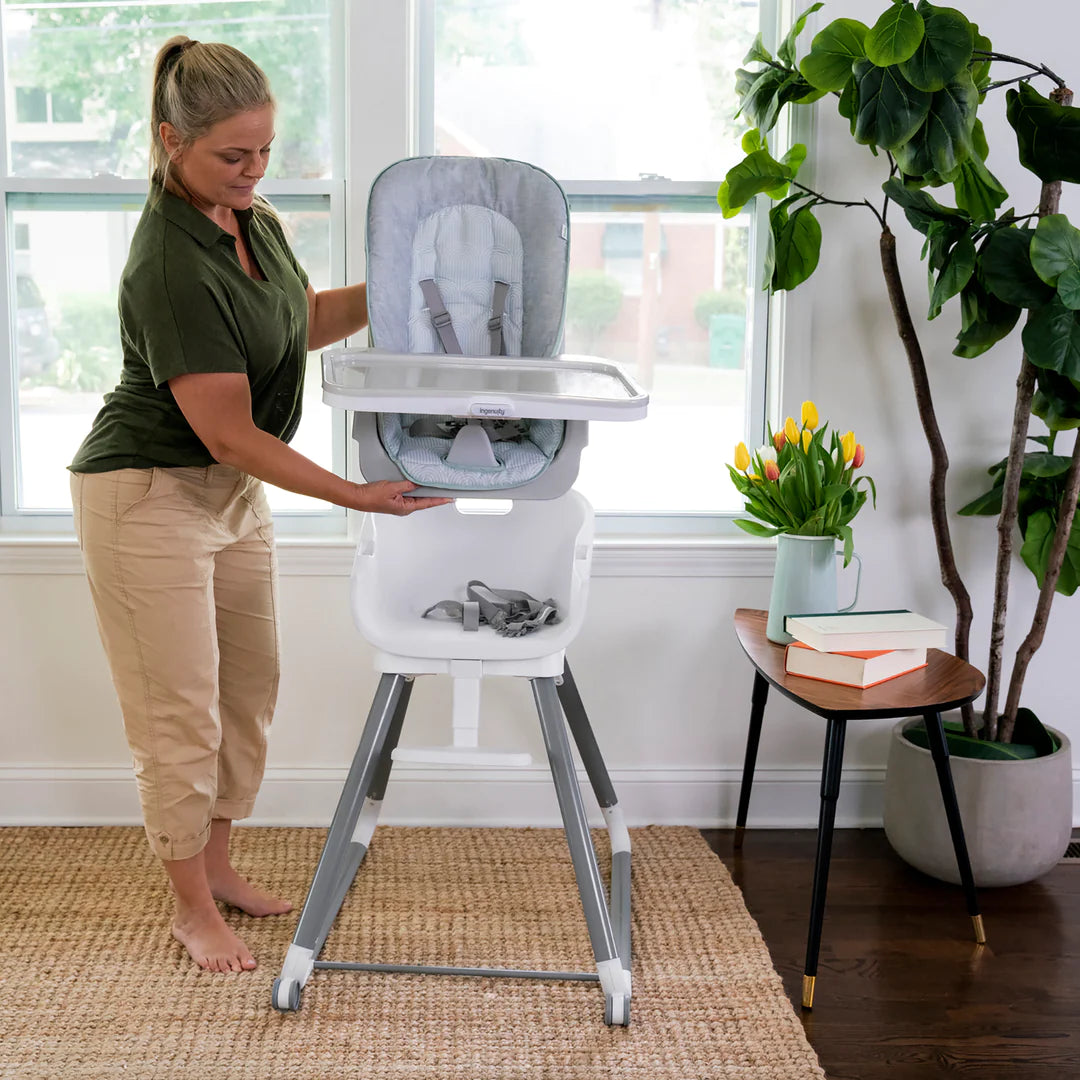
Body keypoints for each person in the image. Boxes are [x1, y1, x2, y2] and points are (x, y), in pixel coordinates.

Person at [68, 36, 449, 975]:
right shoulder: (167, 262)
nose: (254, 171)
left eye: (265, 151)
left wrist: (396, 290)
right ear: (170, 141)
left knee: (249, 692)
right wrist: (355, 493)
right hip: (147, 493)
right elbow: (229, 430)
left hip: (230, 493)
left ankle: (222, 867)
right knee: (180, 713)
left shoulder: (254, 220)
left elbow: (300, 320)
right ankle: (191, 909)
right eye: (232, 156)